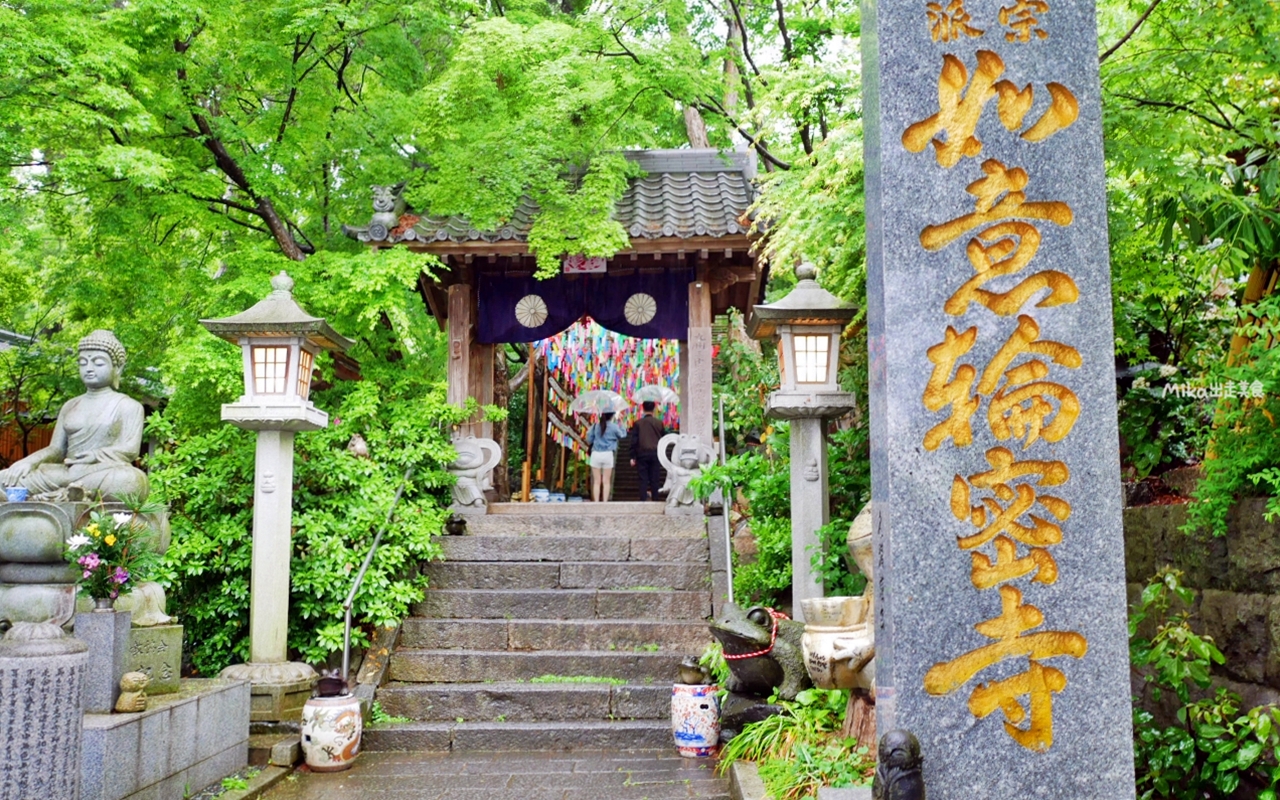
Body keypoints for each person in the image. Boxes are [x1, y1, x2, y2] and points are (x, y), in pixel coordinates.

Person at [0, 330, 149, 501]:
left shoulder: (128, 406)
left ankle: (60, 496)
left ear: (117, 368)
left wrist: (95, 455)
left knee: (131, 481)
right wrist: (28, 462)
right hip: (64, 473)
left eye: (98, 363)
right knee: (3, 479)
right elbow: (56, 449)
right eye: (83, 363)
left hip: (100, 473)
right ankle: (68, 494)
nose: (89, 369)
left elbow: (130, 449)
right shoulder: (70, 405)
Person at [585, 411, 626, 502]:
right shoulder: (614, 427)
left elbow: (588, 439)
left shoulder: (595, 426)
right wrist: (621, 422)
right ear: (612, 416)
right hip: (608, 454)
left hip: (596, 454)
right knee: (606, 481)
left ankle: (596, 502)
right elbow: (622, 435)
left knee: (596, 481)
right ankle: (605, 502)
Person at [628, 401, 665, 501]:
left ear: (643, 409)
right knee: (655, 478)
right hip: (655, 454)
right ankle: (655, 498)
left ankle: (643, 499)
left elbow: (634, 441)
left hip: (642, 454)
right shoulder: (659, 423)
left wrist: (632, 456)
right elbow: (664, 438)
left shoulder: (638, 423)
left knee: (643, 478)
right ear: (654, 409)